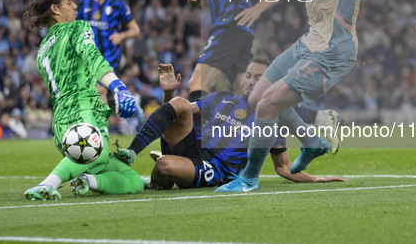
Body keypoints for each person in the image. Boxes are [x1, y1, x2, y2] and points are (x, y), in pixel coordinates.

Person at [216, 0, 403, 192]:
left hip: (333, 51)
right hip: (308, 43)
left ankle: (249, 179)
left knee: (267, 106)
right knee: (256, 99)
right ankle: (312, 141)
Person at [116, 61, 343, 189]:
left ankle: (158, 181)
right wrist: (169, 94)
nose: (251, 81)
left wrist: (314, 179)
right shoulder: (222, 98)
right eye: (249, 76)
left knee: (165, 165)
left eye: (259, 78)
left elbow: (283, 167)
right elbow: (175, 113)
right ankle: (131, 152)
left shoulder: (271, 120)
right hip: (193, 146)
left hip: (217, 169)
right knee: (181, 103)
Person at [22, 0, 143, 200]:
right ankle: (46, 185)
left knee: (133, 180)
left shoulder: (42, 49)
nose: (75, 6)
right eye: (69, 2)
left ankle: (87, 181)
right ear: (55, 9)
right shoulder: (77, 28)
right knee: (99, 152)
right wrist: (119, 88)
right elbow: (93, 58)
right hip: (82, 112)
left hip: (60, 124)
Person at [77, 0, 140, 104]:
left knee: (100, 90)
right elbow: (76, 28)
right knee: (88, 93)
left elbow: (135, 30)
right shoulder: (84, 4)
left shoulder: (118, 4)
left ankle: (100, 124)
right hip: (88, 56)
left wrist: (121, 35)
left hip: (109, 56)